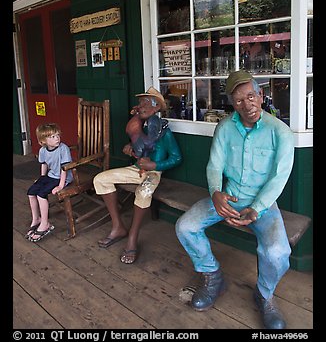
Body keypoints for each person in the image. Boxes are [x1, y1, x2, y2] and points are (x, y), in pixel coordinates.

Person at [175, 70, 294, 329]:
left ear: (261, 96)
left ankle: (264, 295)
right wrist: (216, 192)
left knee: (277, 252)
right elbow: (215, 165)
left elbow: (278, 178)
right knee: (186, 226)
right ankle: (212, 275)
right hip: (227, 199)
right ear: (232, 102)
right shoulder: (225, 127)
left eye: (251, 96)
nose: (246, 104)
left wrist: (257, 207)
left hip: (263, 205)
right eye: (239, 100)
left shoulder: (280, 133)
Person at [93, 87, 182, 264]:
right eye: (141, 102)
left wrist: (155, 164)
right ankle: (118, 227)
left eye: (147, 103)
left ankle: (132, 237)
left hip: (153, 172)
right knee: (100, 179)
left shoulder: (163, 131)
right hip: (136, 169)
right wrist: (130, 148)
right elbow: (140, 145)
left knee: (143, 192)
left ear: (156, 108)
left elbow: (176, 157)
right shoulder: (141, 126)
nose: (142, 106)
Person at [26, 123, 73, 242]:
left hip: (63, 177)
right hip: (51, 175)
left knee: (41, 194)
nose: (57, 138)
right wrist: (42, 178)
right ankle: (36, 219)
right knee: (31, 192)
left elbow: (65, 169)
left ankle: (45, 223)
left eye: (57, 135)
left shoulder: (63, 149)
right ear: (43, 141)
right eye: (52, 137)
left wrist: (61, 186)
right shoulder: (43, 150)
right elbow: (44, 164)